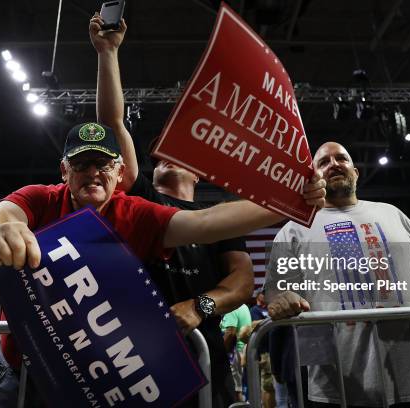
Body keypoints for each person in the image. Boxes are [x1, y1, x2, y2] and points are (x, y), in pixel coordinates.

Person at [0, 121, 325, 407]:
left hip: (88, 378)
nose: (93, 173)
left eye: (103, 164)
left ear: (119, 171)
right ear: (64, 170)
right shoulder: (40, 199)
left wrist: (289, 203)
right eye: (81, 164)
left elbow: (204, 223)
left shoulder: (135, 214)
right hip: (19, 370)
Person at [91, 14, 254, 406]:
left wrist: (201, 306)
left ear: (199, 173)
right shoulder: (142, 197)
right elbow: (113, 124)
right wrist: (108, 52)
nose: (164, 154)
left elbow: (243, 282)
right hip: (137, 359)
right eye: (159, 152)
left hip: (204, 358)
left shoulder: (219, 219)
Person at [265, 142, 410, 407]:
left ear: (356, 172)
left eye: (341, 158)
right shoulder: (295, 228)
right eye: (324, 162)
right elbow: (274, 289)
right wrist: (281, 298)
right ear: (313, 178)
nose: (334, 164)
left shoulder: (391, 213)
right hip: (339, 379)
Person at [221, 304, 252, 401]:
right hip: (243, 351)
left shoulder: (231, 308)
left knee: (236, 389)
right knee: (240, 388)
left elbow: (230, 332)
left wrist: (220, 353)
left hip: (235, 354)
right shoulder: (244, 306)